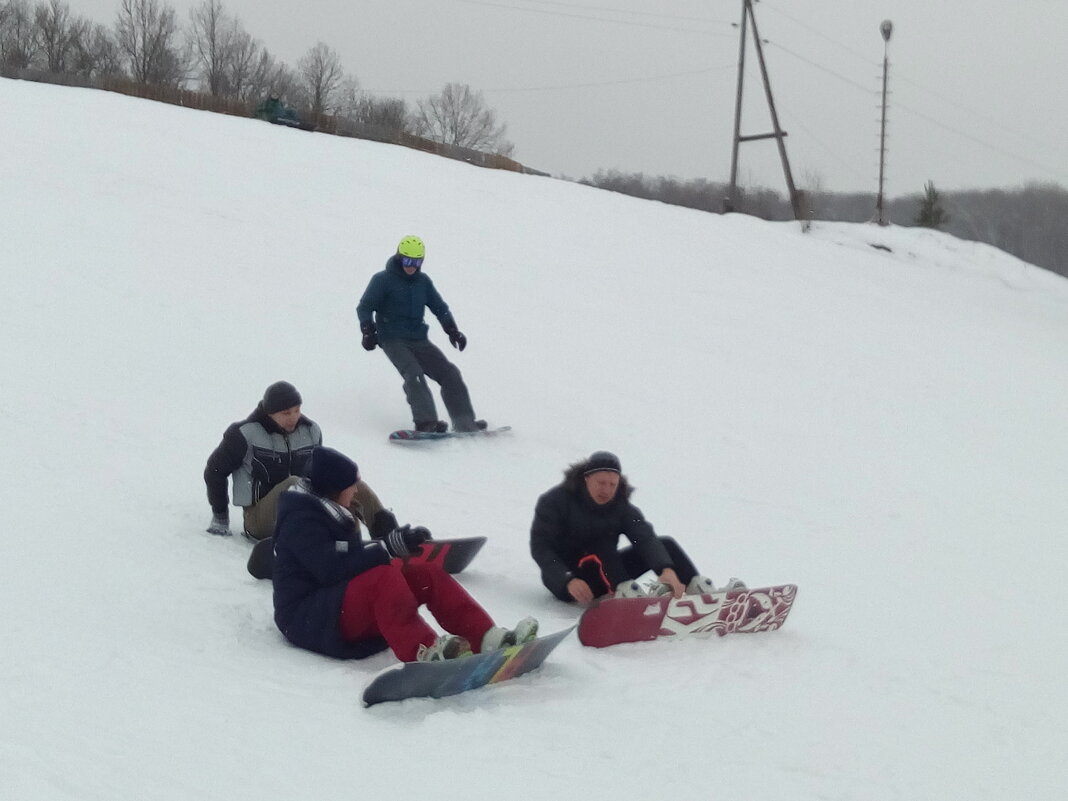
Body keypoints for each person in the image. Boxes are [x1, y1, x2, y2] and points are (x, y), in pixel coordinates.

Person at [273, 446, 537, 662]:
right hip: (308, 619)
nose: (355, 491)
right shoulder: (300, 519)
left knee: (423, 572)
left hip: (335, 608)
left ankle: (486, 637)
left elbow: (349, 558)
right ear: (334, 489)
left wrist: (395, 544)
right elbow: (330, 569)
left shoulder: (333, 509)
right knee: (382, 578)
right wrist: (384, 549)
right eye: (351, 486)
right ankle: (425, 652)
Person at [529, 450, 744, 604]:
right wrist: (567, 579)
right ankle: (627, 595)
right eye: (601, 483)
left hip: (608, 571)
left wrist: (665, 568)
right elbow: (540, 546)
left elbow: (644, 537)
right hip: (568, 581)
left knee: (665, 544)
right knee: (602, 545)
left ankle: (697, 590)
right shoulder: (555, 501)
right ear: (586, 479)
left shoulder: (620, 507)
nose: (606, 490)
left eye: (612, 484)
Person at [356, 235, 485, 433]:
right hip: (392, 339)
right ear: (399, 258)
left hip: (419, 339)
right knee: (414, 373)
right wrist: (368, 331)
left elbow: (439, 307)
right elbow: (364, 307)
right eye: (407, 261)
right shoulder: (382, 280)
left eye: (416, 262)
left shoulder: (423, 282)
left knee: (450, 373)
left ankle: (464, 421)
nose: (411, 266)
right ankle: (426, 423)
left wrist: (452, 330)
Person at [203, 381, 322, 541]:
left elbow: (320, 473)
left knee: (351, 482)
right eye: (286, 413)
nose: (293, 417)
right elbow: (214, 471)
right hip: (259, 518)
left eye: (297, 410)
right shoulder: (245, 434)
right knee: (293, 483)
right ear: (269, 413)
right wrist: (220, 516)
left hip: (301, 514)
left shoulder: (311, 431)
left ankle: (355, 544)